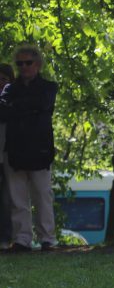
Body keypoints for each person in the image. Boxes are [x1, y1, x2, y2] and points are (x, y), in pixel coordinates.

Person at [0, 45, 59, 252]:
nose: (24, 67)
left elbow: (43, 105)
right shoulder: (10, 89)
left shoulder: (49, 87)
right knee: (18, 199)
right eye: (19, 63)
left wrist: (17, 108)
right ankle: (22, 239)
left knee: (42, 195)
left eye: (28, 62)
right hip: (15, 150)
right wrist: (27, 108)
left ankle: (47, 239)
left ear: (38, 64)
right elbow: (3, 112)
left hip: (40, 149)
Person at [0, 63, 14, 246]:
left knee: (8, 200)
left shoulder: (14, 101)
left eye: (4, 79)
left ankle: (6, 238)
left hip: (10, 157)